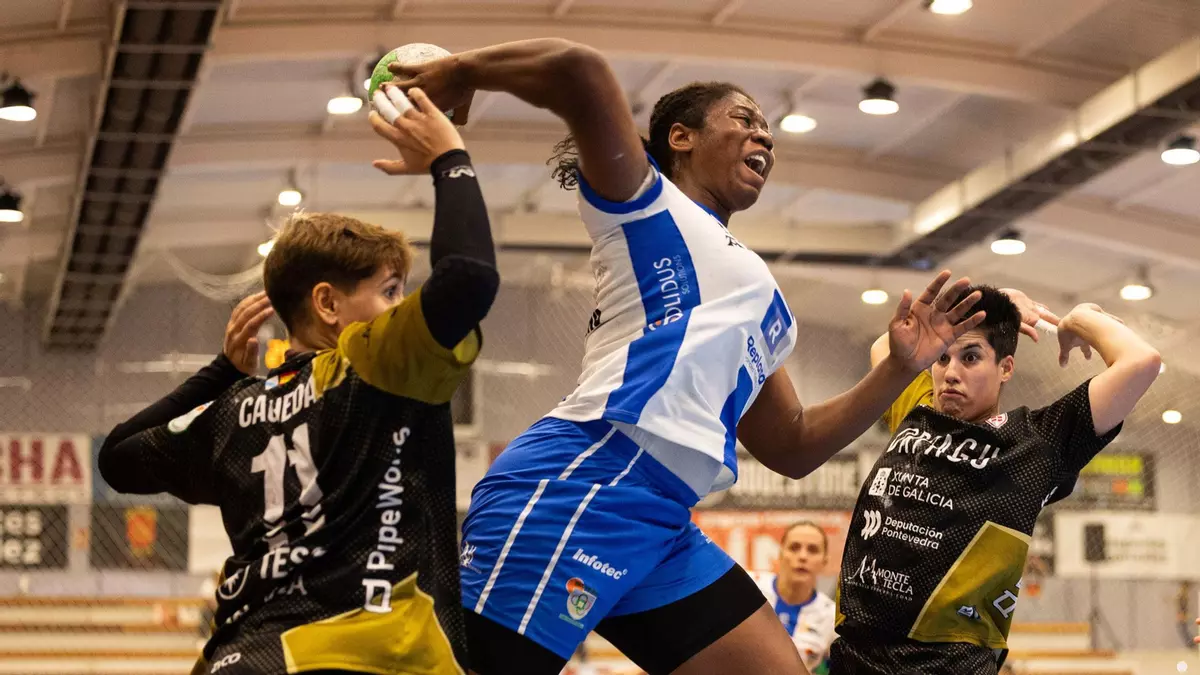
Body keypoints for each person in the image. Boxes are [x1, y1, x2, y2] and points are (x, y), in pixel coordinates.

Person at [386, 38, 987, 675]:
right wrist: (462, 71)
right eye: (744, 119)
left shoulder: (763, 297)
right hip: (584, 480)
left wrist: (897, 368)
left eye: (768, 130)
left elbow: (792, 445)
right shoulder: (643, 203)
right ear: (681, 138)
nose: (764, 136)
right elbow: (579, 70)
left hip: (664, 517)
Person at [98, 89, 498, 675]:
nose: (401, 307)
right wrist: (450, 159)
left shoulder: (231, 411)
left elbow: (116, 458)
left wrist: (221, 373)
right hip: (369, 657)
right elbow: (468, 276)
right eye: (390, 291)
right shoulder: (371, 362)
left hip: (242, 657)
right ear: (328, 304)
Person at [831, 287, 1162, 674]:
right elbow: (887, 348)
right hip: (855, 655)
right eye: (942, 358)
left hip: (946, 665)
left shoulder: (1037, 442)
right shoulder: (918, 409)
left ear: (1006, 368)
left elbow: (1141, 361)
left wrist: (1078, 321)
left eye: (971, 358)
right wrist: (996, 299)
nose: (950, 373)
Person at [754, 522, 837, 674]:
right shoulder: (750, 588)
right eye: (794, 548)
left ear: (824, 562)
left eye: (813, 550)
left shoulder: (831, 617)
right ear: (780, 554)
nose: (802, 556)